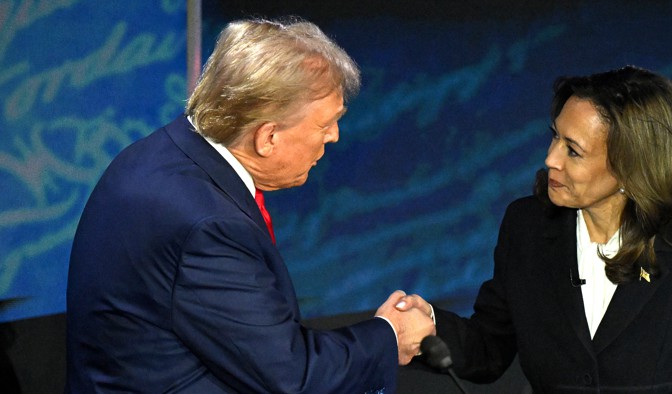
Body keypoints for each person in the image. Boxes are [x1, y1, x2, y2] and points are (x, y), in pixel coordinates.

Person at [66, 17, 435, 393]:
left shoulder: (160, 153)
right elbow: (291, 376)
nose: (335, 136)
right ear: (268, 137)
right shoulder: (209, 225)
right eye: (326, 124)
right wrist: (390, 337)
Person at [397, 66, 672, 392]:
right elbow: (489, 348)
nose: (551, 159)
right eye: (554, 137)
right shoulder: (528, 227)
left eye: (573, 150)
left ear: (631, 166)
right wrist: (429, 326)